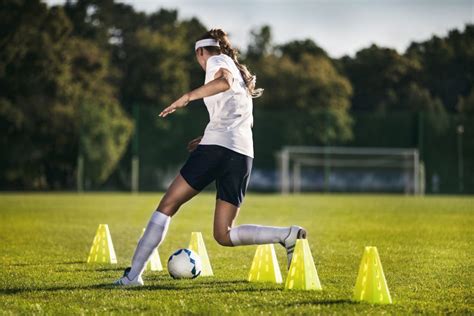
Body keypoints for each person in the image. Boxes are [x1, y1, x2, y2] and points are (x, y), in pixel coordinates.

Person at [114, 29, 306, 286]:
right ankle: (287, 235)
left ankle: (132, 276)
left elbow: (223, 82)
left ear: (200, 52)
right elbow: (232, 116)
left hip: (217, 149)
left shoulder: (217, 61)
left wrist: (187, 97)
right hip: (241, 153)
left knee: (167, 206)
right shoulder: (239, 72)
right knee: (223, 234)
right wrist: (206, 138)